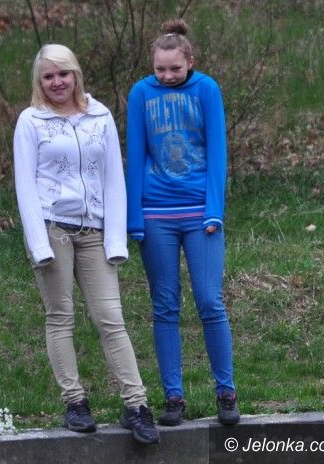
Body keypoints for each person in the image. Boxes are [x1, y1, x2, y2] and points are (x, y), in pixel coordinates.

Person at [13, 43, 160, 444]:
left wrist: (116, 240)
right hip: (52, 228)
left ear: (75, 74)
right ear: (39, 82)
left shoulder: (100, 116)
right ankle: (75, 402)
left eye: (63, 73)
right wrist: (39, 245)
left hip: (94, 230)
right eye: (48, 76)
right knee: (60, 315)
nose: (57, 82)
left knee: (111, 318)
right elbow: (25, 185)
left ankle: (136, 405)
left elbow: (113, 178)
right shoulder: (31, 121)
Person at [125, 19, 240, 427]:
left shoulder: (207, 89)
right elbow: (136, 153)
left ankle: (226, 391)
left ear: (190, 61)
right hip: (156, 214)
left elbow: (217, 150)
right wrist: (134, 218)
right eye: (160, 68)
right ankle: (173, 397)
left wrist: (214, 209)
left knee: (210, 301)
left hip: (199, 213)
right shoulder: (141, 93)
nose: (168, 75)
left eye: (175, 68)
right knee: (165, 306)